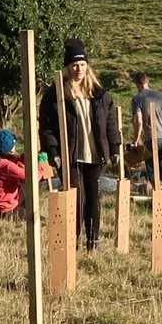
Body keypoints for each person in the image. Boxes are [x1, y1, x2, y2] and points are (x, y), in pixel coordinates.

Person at [38, 39, 119, 250]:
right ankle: (72, 242)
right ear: (67, 67)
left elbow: (110, 124)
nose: (79, 69)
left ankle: (94, 242)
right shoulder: (55, 95)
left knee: (94, 199)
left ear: (87, 66)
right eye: (74, 65)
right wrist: (53, 152)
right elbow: (46, 128)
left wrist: (115, 148)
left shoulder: (100, 95)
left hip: (94, 154)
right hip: (70, 156)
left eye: (82, 64)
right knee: (76, 198)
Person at [130, 72, 162, 177]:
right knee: (160, 161)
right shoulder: (161, 95)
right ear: (147, 81)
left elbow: (139, 122)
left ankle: (156, 189)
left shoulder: (137, 99)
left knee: (150, 166)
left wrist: (136, 140)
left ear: (137, 84)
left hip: (152, 138)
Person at [0, 128, 27, 218]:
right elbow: (30, 177)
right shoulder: (6, 166)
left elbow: (13, 161)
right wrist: (40, 163)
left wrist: (20, 160)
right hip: (6, 212)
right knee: (40, 220)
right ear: (10, 150)